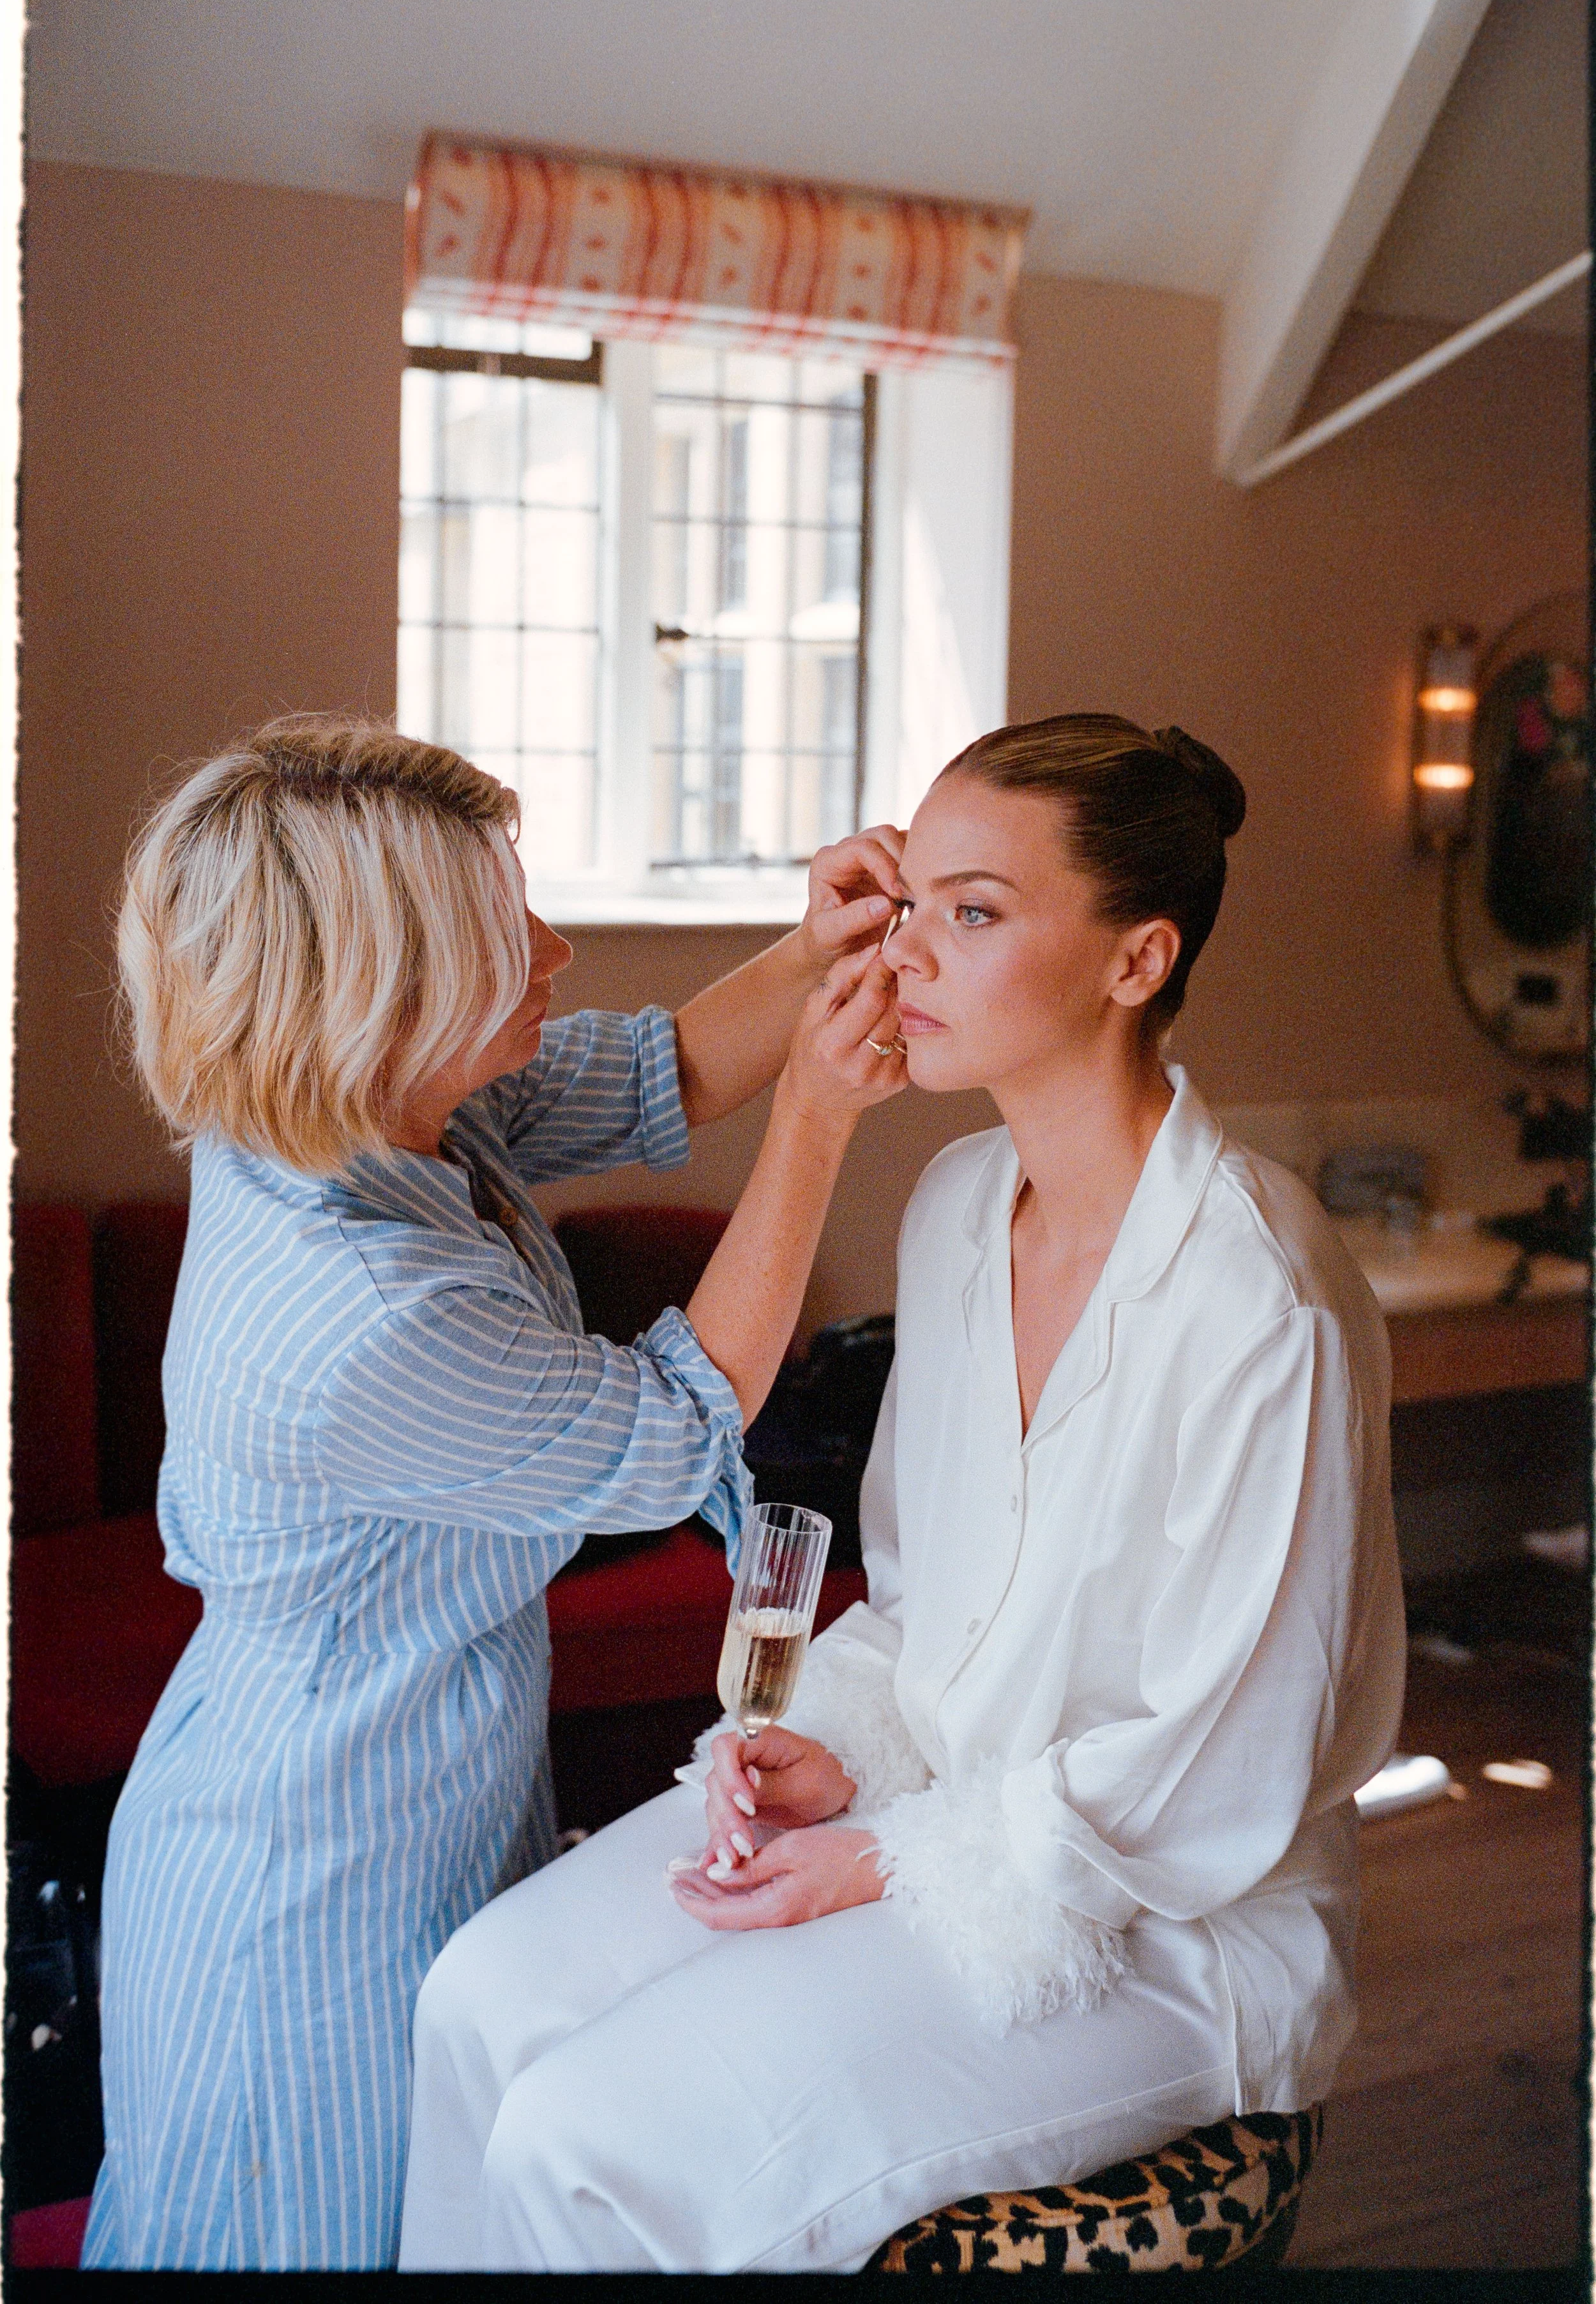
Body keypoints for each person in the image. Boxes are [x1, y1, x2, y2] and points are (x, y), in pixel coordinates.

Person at [398, 713, 1408, 2273]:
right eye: (909, 896)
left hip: (1175, 1930)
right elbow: (921, 1596)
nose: (899, 956)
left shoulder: (1257, 1301)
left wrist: (879, 1858)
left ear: (1134, 962)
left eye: (975, 912)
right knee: (476, 1996)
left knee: (587, 2140)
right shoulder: (954, 1210)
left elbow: (1222, 1759)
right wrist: (828, 1750)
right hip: (945, 1810)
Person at [82, 716, 909, 2270]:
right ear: (379, 990)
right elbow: (674, 1434)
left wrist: (811, 958)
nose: (555, 944)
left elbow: (660, 1068)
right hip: (310, 1875)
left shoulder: (370, 1118)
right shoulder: (356, 1310)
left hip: (405, 1770)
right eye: (499, 928)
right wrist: (817, 1116)